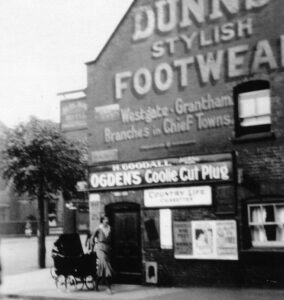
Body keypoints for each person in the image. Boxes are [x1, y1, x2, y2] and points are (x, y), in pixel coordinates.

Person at [92, 216, 114, 294]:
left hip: (107, 249)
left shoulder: (110, 228)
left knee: (102, 268)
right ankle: (108, 288)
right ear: (102, 221)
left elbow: (111, 239)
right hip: (100, 249)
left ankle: (96, 284)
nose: (107, 221)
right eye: (105, 220)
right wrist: (93, 247)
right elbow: (92, 238)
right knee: (106, 266)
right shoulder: (98, 228)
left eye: (107, 220)